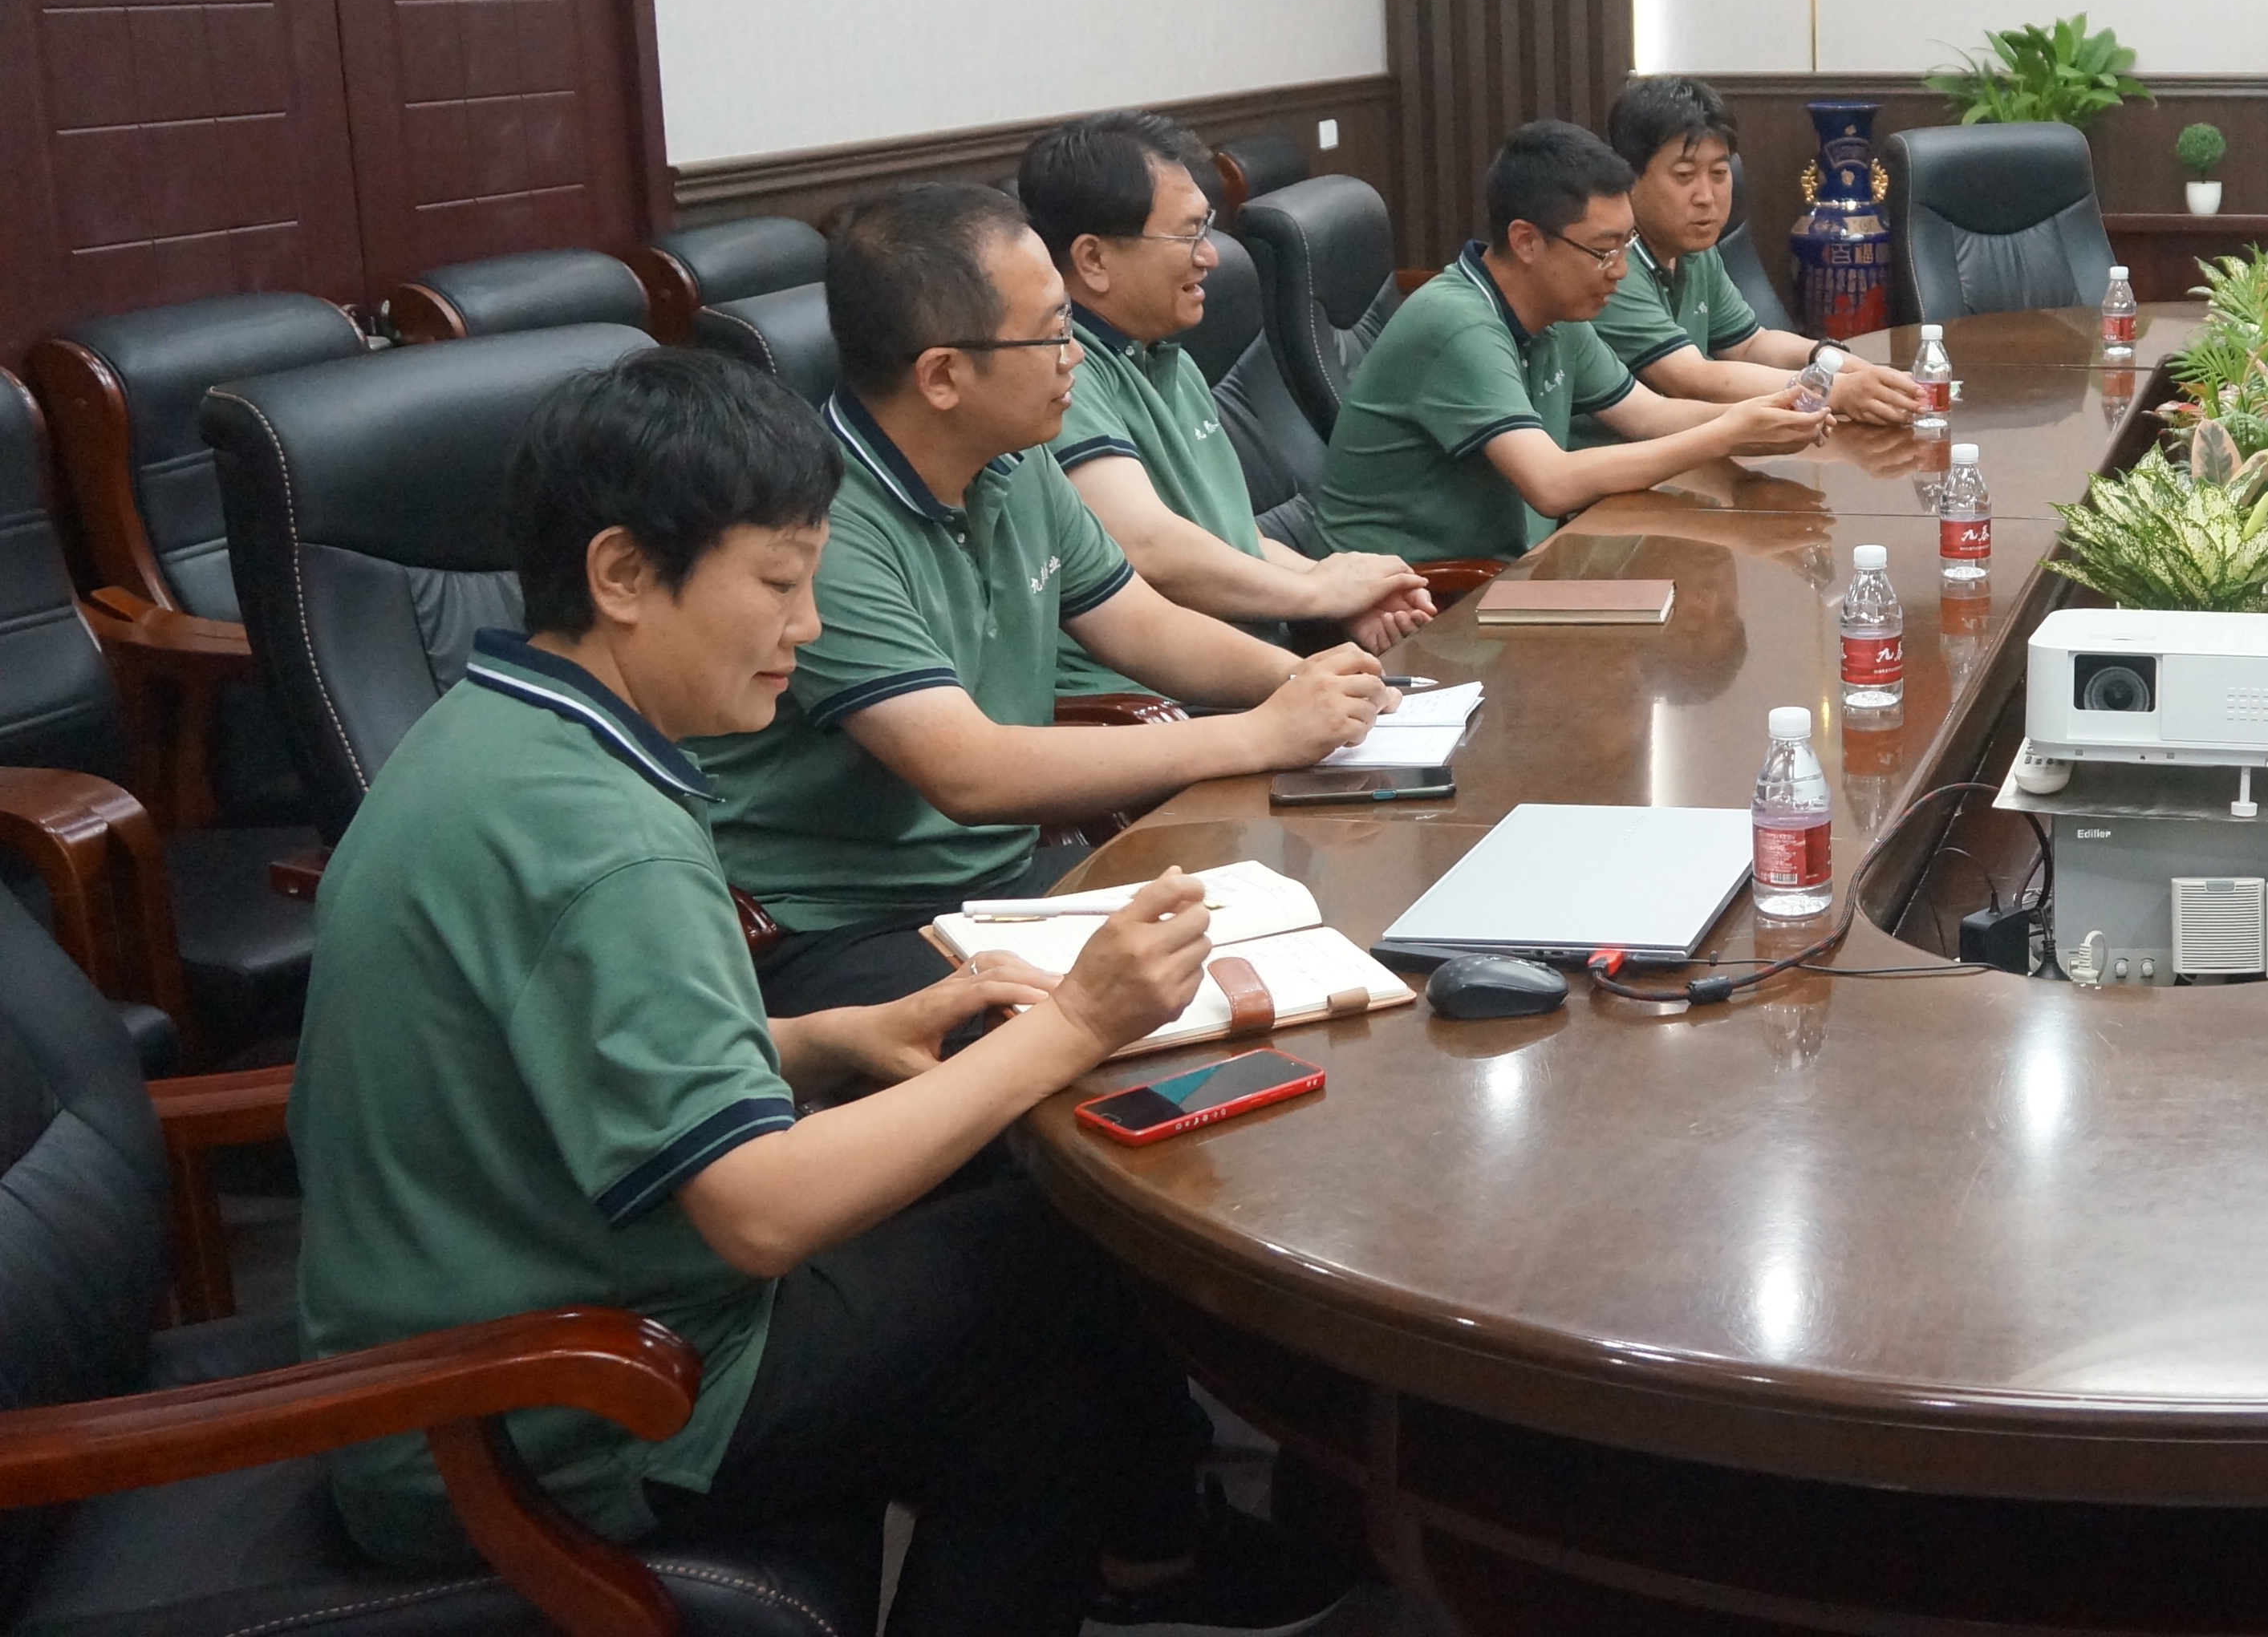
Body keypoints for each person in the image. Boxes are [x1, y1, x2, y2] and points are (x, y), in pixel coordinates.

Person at [290, 350, 1325, 1634]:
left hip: (493, 1328)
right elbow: (760, 1216)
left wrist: (829, 1036)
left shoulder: (494, 731)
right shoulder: (607, 839)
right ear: (622, 575)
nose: (810, 628)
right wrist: (1076, 1024)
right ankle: (1187, 1543)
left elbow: (543, 1055)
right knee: (1069, 1251)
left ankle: (1141, 1557)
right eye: (779, 584)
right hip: (548, 1407)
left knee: (1029, 1342)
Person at [694, 183, 1390, 1015]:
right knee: (1149, 1023)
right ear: (943, 375)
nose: (1076, 357)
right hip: (847, 921)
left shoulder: (1015, 461)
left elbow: (1142, 625)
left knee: (1303, 930)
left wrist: (1307, 684)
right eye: (1052, 334)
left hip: (1005, 883)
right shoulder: (822, 525)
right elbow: (969, 772)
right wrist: (1259, 734)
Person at [1019, 107, 1434, 691]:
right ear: (1093, 260)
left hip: (1261, 675)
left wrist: (1339, 589)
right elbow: (1147, 547)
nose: (1211, 256)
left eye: (1206, 230)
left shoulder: (1171, 357)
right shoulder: (1062, 379)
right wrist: (1316, 593)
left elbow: (1233, 538)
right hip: (1159, 705)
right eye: (1188, 235)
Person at [1314, 120, 1832, 564]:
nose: (1620, 270)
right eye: (1604, 251)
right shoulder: (1458, 323)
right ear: (1526, 241)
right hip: (1413, 598)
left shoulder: (1558, 312)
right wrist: (1726, 433)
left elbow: (1650, 415)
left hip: (1514, 572)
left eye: (1627, 244)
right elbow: (1552, 482)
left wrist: (1765, 417)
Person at [1597, 76, 1923, 423]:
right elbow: (1690, 377)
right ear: (1629, 179)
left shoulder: (1694, 249)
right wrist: (1836, 391)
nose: (1706, 197)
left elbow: (1751, 345)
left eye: (1719, 173)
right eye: (1684, 175)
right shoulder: (1611, 266)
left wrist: (1843, 363)